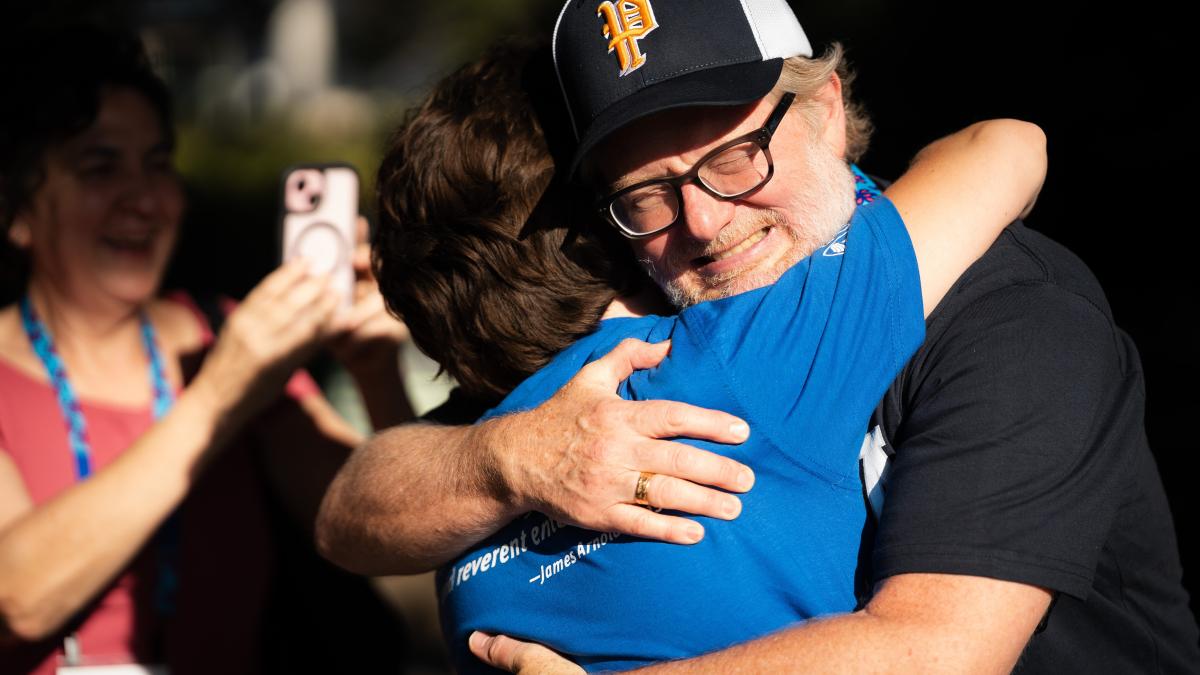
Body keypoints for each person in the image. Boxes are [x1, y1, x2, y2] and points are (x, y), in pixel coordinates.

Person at [320, 3, 1198, 673]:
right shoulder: (607, 369)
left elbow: (937, 650)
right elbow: (355, 506)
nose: (703, 220)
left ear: (824, 105)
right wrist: (503, 459)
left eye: (735, 156)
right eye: (646, 194)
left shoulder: (1005, 311)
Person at [0, 24, 410, 674]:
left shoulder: (225, 335)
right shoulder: (234, 359)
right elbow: (15, 598)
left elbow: (400, 547)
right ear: (17, 210)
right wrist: (220, 394)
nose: (145, 197)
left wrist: (378, 377)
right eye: (100, 166)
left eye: (159, 163)